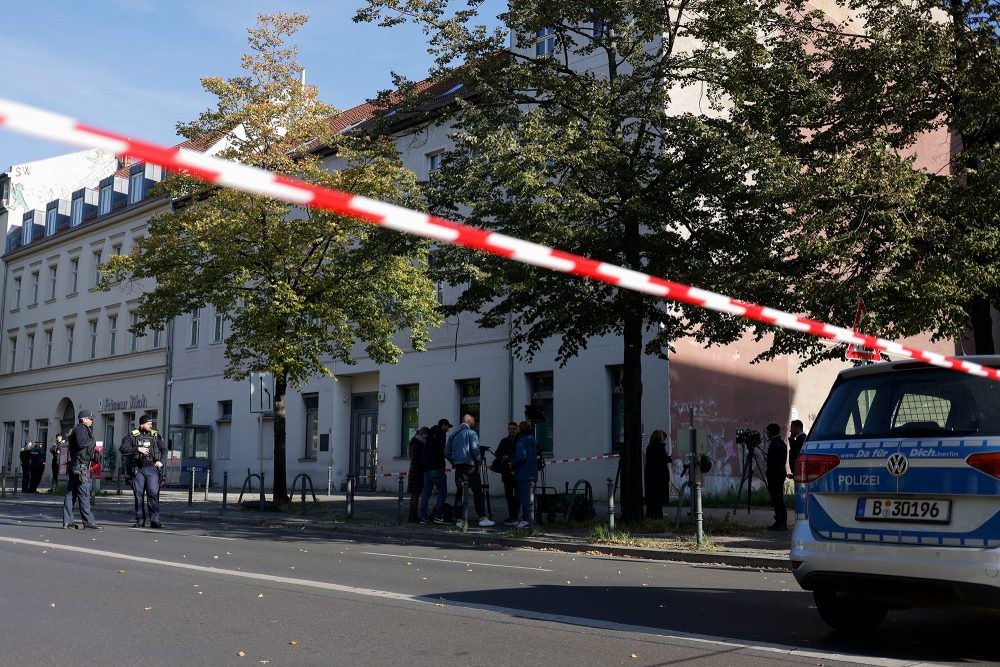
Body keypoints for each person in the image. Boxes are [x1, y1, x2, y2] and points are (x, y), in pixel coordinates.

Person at [445, 414, 495, 527]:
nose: (474, 423)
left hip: (459, 467)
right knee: (477, 492)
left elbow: (446, 452)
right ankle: (482, 518)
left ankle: (459, 520)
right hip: (470, 467)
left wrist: (454, 462)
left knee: (460, 492)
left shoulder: (453, 434)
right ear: (468, 420)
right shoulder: (471, 433)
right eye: (473, 421)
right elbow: (475, 449)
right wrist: (478, 463)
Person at [119, 415, 166, 528]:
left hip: (152, 469)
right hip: (138, 469)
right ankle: (140, 520)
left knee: (153, 494)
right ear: (141, 424)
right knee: (138, 496)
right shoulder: (132, 436)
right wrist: (137, 449)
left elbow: (164, 449)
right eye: (148, 424)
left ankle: (155, 521)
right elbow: (123, 449)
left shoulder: (155, 435)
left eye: (151, 424)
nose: (151, 426)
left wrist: (161, 462)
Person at [63, 410, 101, 529]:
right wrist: (92, 441)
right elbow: (81, 443)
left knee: (71, 495)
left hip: (75, 465)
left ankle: (67, 521)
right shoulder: (82, 428)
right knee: (84, 494)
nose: (92, 420)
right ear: (84, 419)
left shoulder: (78, 429)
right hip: (80, 467)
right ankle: (88, 522)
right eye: (90, 418)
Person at [419, 419, 451, 524]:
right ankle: (438, 516)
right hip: (436, 468)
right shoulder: (441, 434)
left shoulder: (431, 434)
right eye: (447, 427)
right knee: (442, 491)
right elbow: (442, 451)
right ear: (443, 425)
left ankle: (423, 517)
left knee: (426, 493)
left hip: (426, 468)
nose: (448, 429)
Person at [510, 421, 538, 530]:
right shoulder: (532, 439)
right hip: (532, 472)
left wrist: (512, 464)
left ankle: (526, 520)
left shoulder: (521, 440)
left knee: (525, 498)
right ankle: (531, 519)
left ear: (520, 430)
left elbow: (521, 457)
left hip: (523, 473)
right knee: (531, 498)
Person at [765, 422, 791, 531]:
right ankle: (782, 521)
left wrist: (768, 473)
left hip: (774, 475)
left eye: (767, 432)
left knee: (776, 499)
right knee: (779, 498)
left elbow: (771, 462)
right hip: (780, 473)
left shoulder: (774, 444)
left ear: (771, 433)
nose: (767, 435)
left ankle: (779, 522)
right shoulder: (782, 443)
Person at [492, 422, 520, 525]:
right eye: (510, 429)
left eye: (513, 429)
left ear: (517, 429)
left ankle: (515, 517)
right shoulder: (504, 441)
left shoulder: (520, 440)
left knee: (518, 496)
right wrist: (502, 456)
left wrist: (510, 458)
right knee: (509, 496)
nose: (512, 431)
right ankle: (511, 516)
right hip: (507, 474)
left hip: (517, 472)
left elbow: (520, 455)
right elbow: (497, 452)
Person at [644, 429, 671, 519]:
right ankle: (658, 515)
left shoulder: (649, 447)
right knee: (659, 498)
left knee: (652, 498)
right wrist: (669, 458)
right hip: (660, 477)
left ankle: (650, 514)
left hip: (651, 476)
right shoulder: (659, 447)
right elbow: (662, 460)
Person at [406, 426, 428, 523]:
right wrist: (424, 463)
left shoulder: (415, 440)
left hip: (415, 470)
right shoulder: (417, 441)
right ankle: (413, 516)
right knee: (415, 494)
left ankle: (412, 515)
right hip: (416, 471)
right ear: (424, 433)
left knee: (415, 494)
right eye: (427, 435)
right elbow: (415, 458)